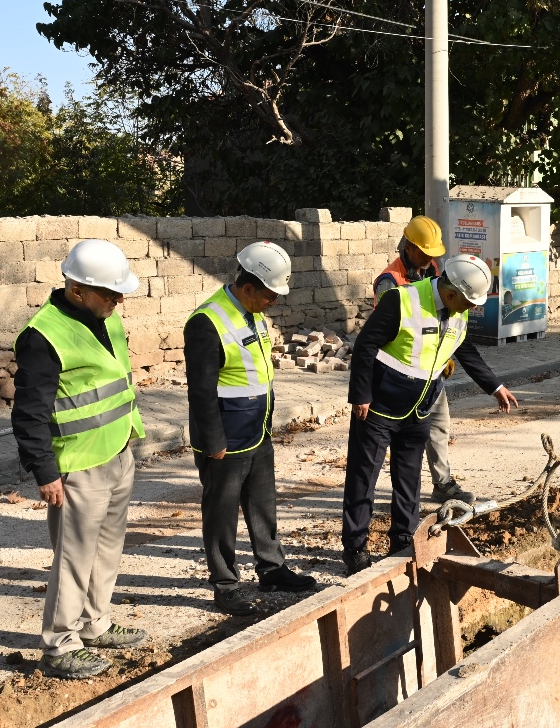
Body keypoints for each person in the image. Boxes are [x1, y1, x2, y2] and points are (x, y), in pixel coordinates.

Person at [12, 239, 146, 680]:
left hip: (118, 450)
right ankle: (59, 645)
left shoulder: (105, 317)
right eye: (111, 294)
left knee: (107, 550)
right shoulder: (43, 336)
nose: (118, 301)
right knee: (73, 558)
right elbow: (29, 410)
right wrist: (45, 471)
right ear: (77, 289)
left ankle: (94, 623)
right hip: (78, 465)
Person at [342, 254, 519, 574]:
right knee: (363, 477)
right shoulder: (401, 299)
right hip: (379, 406)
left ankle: (403, 540)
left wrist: (495, 386)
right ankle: (355, 548)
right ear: (451, 293)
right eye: (469, 302)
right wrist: (361, 396)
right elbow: (366, 345)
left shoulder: (457, 312)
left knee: (408, 479)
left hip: (420, 406)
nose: (473, 308)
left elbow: (464, 350)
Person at [185, 241, 318, 615]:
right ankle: (226, 584)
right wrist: (213, 442)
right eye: (270, 296)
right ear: (248, 288)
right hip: (225, 438)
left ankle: (272, 568)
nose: (273, 302)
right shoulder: (207, 322)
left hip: (257, 430)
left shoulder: (252, 312)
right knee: (221, 511)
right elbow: (201, 390)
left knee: (262, 504)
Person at [372, 216, 474, 505]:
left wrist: (445, 354)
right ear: (410, 246)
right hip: (399, 376)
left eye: (433, 253)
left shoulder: (432, 269)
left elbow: (444, 316)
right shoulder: (389, 282)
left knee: (440, 426)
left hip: (431, 371)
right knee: (398, 439)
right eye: (425, 252)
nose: (430, 258)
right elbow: (389, 333)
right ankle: (398, 495)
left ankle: (442, 484)